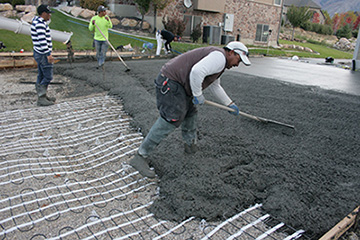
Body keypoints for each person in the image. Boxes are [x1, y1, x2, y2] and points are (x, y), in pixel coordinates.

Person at [130, 41, 251, 178]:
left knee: (190, 114)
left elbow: (215, 85)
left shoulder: (220, 61)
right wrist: (198, 94)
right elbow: (197, 71)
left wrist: (229, 104)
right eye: (238, 60)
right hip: (171, 82)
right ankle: (140, 156)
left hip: (180, 85)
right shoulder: (219, 58)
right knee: (172, 118)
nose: (237, 64)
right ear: (231, 52)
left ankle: (190, 147)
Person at [31, 4, 56, 106]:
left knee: (41, 75)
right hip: (42, 54)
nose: (50, 15)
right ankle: (41, 97)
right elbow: (42, 41)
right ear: (44, 13)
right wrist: (48, 54)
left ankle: (43, 95)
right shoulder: (40, 24)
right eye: (48, 13)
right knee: (48, 76)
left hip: (39, 53)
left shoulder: (37, 22)